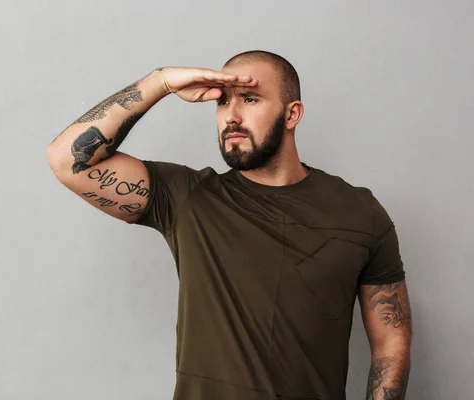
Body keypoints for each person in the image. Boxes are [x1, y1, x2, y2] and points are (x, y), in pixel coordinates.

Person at [46, 50, 412, 400]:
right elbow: (68, 160)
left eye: (250, 99)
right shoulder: (188, 198)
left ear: (292, 114)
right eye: (222, 102)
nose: (231, 116)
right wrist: (160, 82)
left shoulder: (359, 212)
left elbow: (390, 342)